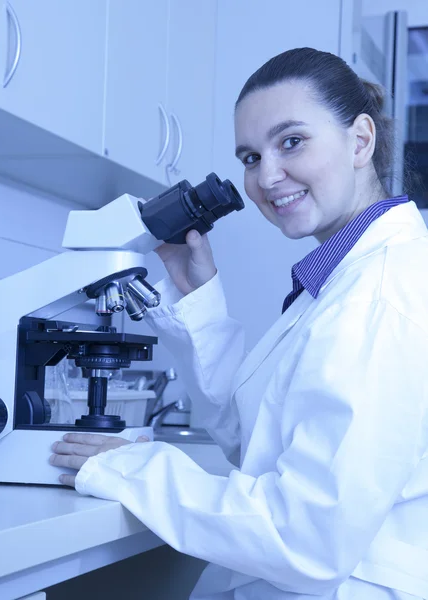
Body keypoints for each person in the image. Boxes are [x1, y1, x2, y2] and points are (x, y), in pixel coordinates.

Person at [50, 47, 428, 599]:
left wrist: (136, 470)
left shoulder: (379, 296)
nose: (267, 177)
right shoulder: (344, 280)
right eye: (250, 157)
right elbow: (257, 440)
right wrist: (199, 295)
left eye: (291, 141)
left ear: (361, 140)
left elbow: (304, 539)